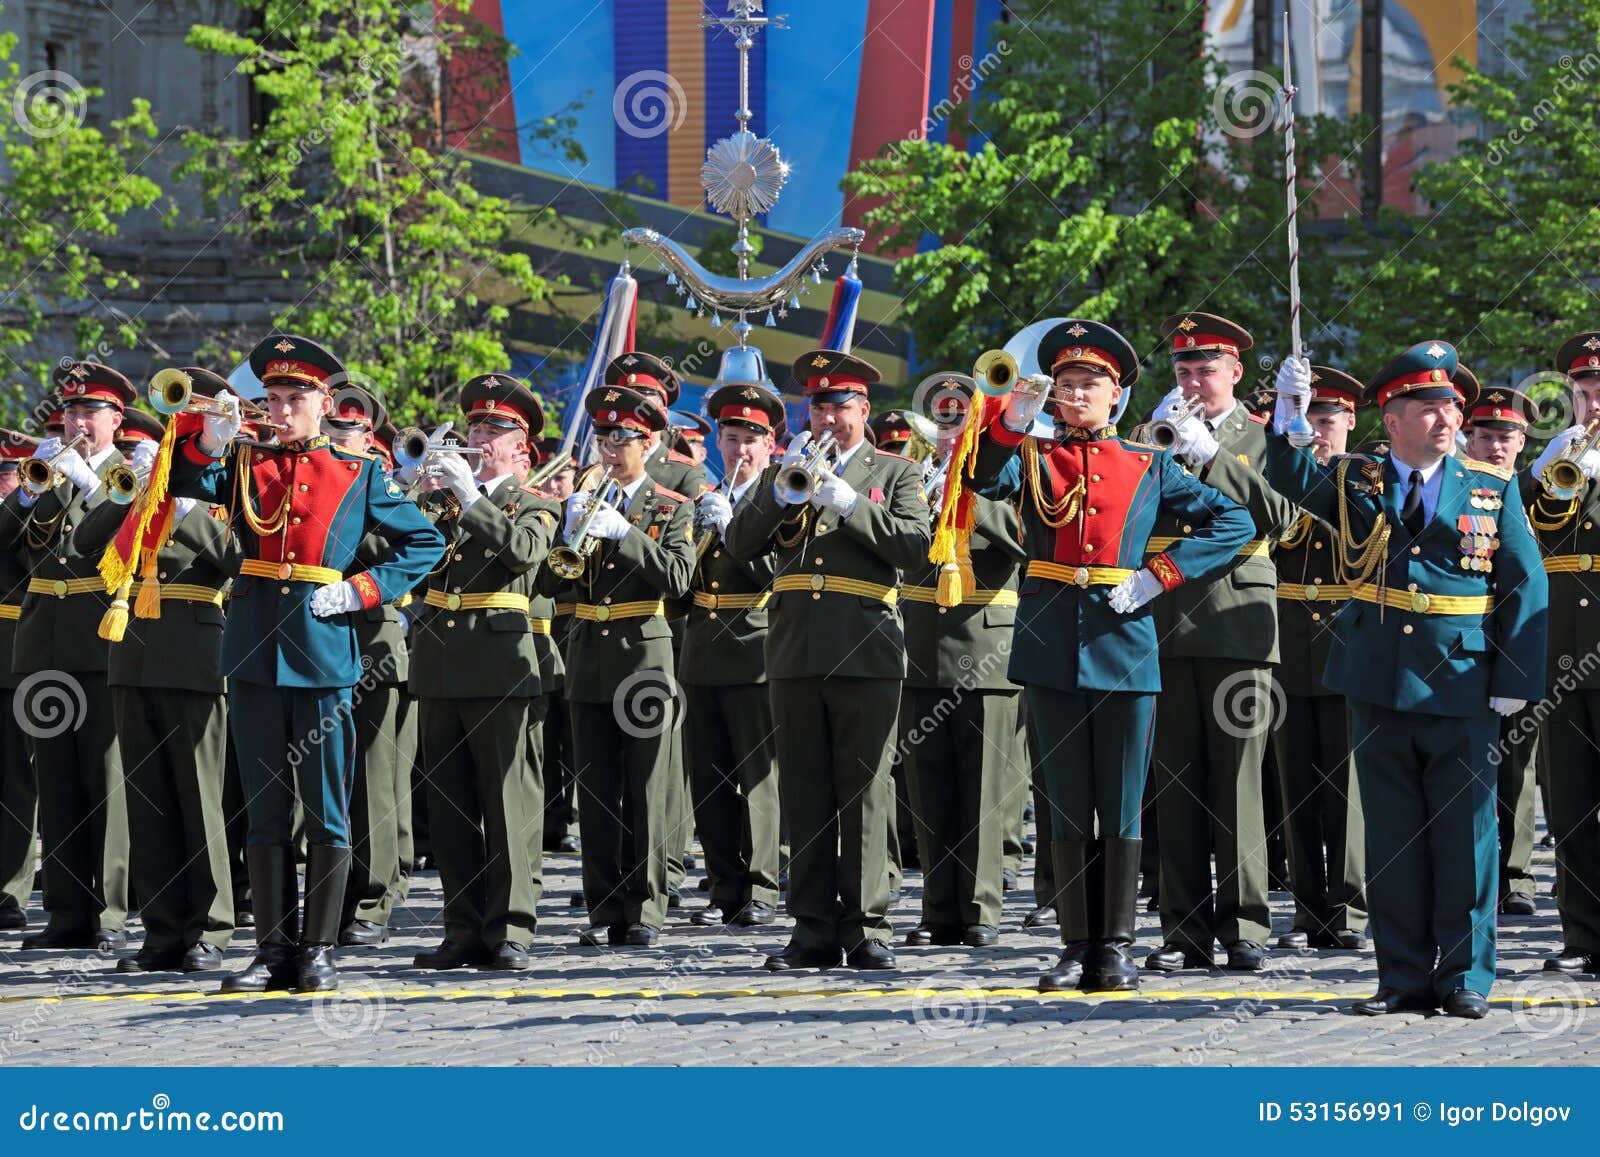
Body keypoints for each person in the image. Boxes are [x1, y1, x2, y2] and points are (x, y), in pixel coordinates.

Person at [969, 320, 1253, 991]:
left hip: (1124, 643)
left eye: (1090, 384)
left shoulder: (1146, 463)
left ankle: (1117, 944)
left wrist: (1161, 575)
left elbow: (1235, 520)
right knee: (1065, 802)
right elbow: (981, 474)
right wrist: (1012, 420)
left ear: (1117, 395)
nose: (1076, 394)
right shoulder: (1033, 458)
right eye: (1065, 383)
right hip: (1049, 642)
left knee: (1122, 803)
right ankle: (1076, 943)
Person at [1269, 341, 1547, 1017]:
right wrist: (1288, 412)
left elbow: (1525, 581)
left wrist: (1516, 677)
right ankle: (1401, 975)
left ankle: (1466, 976)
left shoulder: (1492, 488)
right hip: (1381, 681)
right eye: (1428, 408)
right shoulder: (1356, 481)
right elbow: (1288, 475)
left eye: (1450, 406)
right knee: (1392, 839)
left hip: (1463, 684)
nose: (1447, 419)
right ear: (1391, 417)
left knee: (1467, 839)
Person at [166, 334, 445, 993]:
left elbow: (424, 540)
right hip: (255, 647)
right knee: (263, 812)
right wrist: (209, 437)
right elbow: (183, 480)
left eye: (296, 397)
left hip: (322, 652)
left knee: (325, 807)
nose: (282, 407)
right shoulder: (243, 463)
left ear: (325, 402)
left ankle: (318, 948)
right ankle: (271, 949)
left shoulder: (358, 473)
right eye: (274, 397)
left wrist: (362, 590)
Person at [725, 348, 931, 971]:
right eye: (817, 405)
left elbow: (917, 549)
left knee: (866, 790)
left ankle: (867, 925)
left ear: (863, 410)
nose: (827, 417)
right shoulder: (786, 469)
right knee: (807, 792)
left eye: (840, 405)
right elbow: (738, 546)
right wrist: (775, 494)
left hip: (866, 648)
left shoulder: (897, 472)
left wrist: (850, 504)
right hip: (793, 649)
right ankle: (812, 928)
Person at [1137, 312, 1299, 974]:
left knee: (1238, 785)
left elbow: (1283, 520)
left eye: (1207, 369)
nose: (1194, 381)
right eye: (1183, 370)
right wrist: (1155, 452)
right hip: (1169, 625)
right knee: (1174, 786)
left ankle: (1246, 927)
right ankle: (1182, 929)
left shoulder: (1265, 440)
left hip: (1239, 624)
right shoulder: (1153, 437)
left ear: (1235, 372)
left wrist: (1209, 455)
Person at [77, 368, 241, 973]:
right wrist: (130, 494)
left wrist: (185, 500)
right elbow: (83, 549)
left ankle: (211, 926)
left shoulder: (229, 484)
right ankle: (162, 930)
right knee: (147, 800)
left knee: (198, 796)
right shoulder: (144, 486)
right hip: (133, 652)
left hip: (195, 652)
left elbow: (239, 560)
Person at [539, 385, 695, 947]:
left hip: (644, 654)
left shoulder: (671, 507)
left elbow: (679, 580)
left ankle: (646, 909)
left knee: (647, 787)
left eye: (620, 437)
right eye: (602, 436)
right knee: (598, 790)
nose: (607, 447)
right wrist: (567, 529)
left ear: (648, 442)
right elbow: (547, 583)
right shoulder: (582, 500)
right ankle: (605, 908)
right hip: (588, 656)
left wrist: (625, 534)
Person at [409, 375, 556, 971]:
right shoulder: (440, 501)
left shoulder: (538, 501)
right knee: (449, 807)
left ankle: (512, 926)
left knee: (508, 801)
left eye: (495, 430)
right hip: (440, 664)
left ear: (522, 448)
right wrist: (406, 491)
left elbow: (523, 554)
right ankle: (461, 927)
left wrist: (473, 500)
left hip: (502, 667)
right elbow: (401, 556)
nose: (479, 437)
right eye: (474, 427)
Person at [0, 361, 135, 951]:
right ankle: (65, 913)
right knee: (55, 783)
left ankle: (104, 913)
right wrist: (29, 491)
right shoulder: (49, 475)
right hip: (43, 644)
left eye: (89, 412)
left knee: (103, 780)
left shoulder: (131, 476)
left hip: (100, 640)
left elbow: (122, 539)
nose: (77, 422)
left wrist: (90, 486)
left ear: (116, 419)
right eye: (70, 413)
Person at [900, 376, 1026, 947]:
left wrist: (965, 498)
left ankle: (980, 911)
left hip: (985, 648)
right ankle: (937, 910)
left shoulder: (1012, 472)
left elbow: (1029, 537)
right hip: (922, 645)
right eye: (944, 424)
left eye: (961, 423)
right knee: (929, 789)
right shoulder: (914, 475)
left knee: (983, 790)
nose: (950, 434)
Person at [1268, 367, 1367, 951]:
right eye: (1308, 419)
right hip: (1286, 639)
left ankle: (1351, 908)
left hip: (1345, 638)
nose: (1318, 431)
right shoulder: (1278, 472)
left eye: (1325, 420)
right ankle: (1310, 911)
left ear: (1350, 420)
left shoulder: (1368, 474)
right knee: (1295, 783)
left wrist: (1305, 462)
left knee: (1347, 787)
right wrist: (1286, 437)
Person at [680, 382, 785, 929]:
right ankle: (725, 889)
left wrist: (732, 527)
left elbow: (781, 577)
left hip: (756, 645)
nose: (739, 449)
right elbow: (681, 587)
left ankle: (763, 889)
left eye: (750, 439)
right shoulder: (708, 494)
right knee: (710, 778)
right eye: (730, 437)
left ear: (771, 445)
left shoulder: (778, 497)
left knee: (758, 777)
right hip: (702, 649)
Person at [318, 384, 415, 948]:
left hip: (373, 641)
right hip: (323, 639)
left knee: (374, 779)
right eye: (332, 430)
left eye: (348, 431)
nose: (337, 440)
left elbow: (399, 552)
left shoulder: (381, 484)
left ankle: (374, 901)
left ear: (370, 438)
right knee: (331, 775)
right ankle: (333, 893)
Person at [1525, 332, 1600, 973]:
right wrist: (1550, 473)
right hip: (1562, 655)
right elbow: (1523, 534)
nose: (1592, 402)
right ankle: (1582, 936)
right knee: (1570, 801)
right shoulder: (1561, 459)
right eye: (1582, 392)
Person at [1459, 376, 1542, 919]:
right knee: (1472, 766)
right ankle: (1478, 870)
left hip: (1537, 642)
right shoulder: (1459, 485)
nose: (1496, 445)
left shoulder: (1546, 489)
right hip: (1472, 643)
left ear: (1524, 441)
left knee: (1522, 764)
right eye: (1485, 433)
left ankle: (1516, 875)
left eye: (1506, 435)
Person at [0, 431, 40, 930]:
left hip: (10, 651)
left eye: (9, 472)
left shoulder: (27, 514)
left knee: (13, 778)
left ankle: (9, 891)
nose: (4, 482)